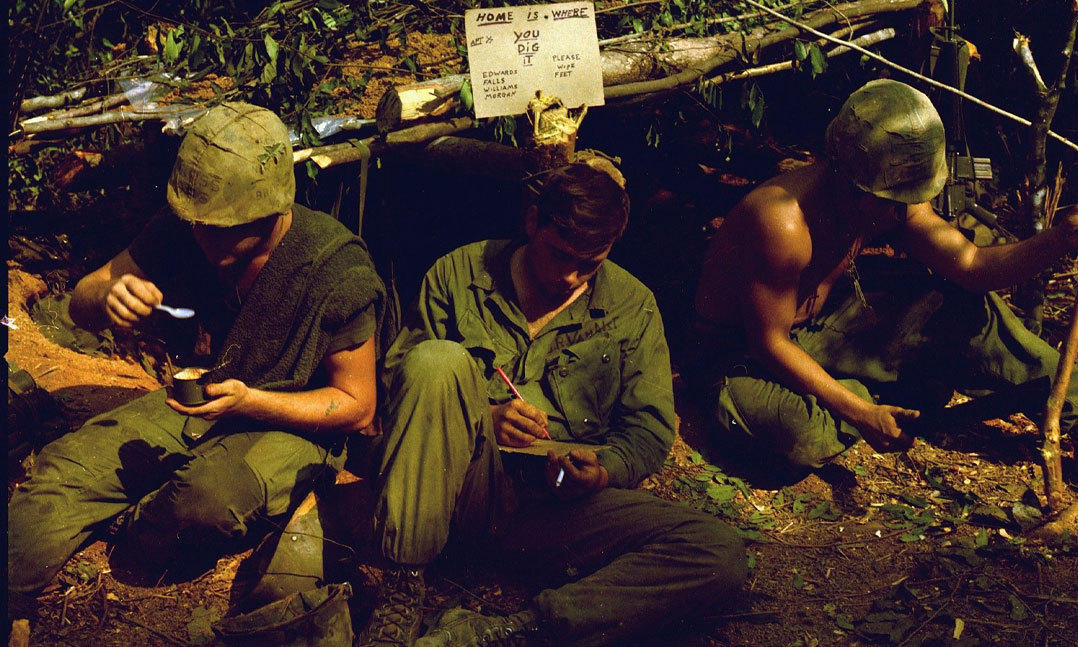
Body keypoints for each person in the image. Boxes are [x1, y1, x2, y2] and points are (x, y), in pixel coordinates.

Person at [7, 103, 389, 624]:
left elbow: (358, 407)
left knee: (205, 501)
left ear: (272, 211)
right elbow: (82, 299)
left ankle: (131, 522)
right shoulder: (188, 227)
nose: (202, 236)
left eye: (221, 226)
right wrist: (109, 297)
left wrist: (253, 401)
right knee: (64, 471)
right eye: (196, 222)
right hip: (208, 400)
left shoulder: (335, 267)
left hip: (297, 426)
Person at [357, 163, 746, 647]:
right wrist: (483, 417)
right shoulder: (461, 274)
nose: (569, 276)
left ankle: (515, 631)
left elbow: (648, 431)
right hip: (457, 484)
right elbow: (402, 385)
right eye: (559, 254)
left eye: (589, 264)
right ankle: (402, 586)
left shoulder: (632, 305)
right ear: (532, 221)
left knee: (717, 551)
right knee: (436, 360)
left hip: (556, 506)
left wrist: (601, 471)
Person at [686, 78, 1078, 472]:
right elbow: (769, 343)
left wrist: (1061, 239)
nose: (902, 210)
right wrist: (860, 412)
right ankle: (872, 389)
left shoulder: (884, 199)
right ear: (850, 181)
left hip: (818, 327)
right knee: (800, 434)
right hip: (744, 357)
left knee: (963, 308)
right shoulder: (782, 221)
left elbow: (971, 266)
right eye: (891, 199)